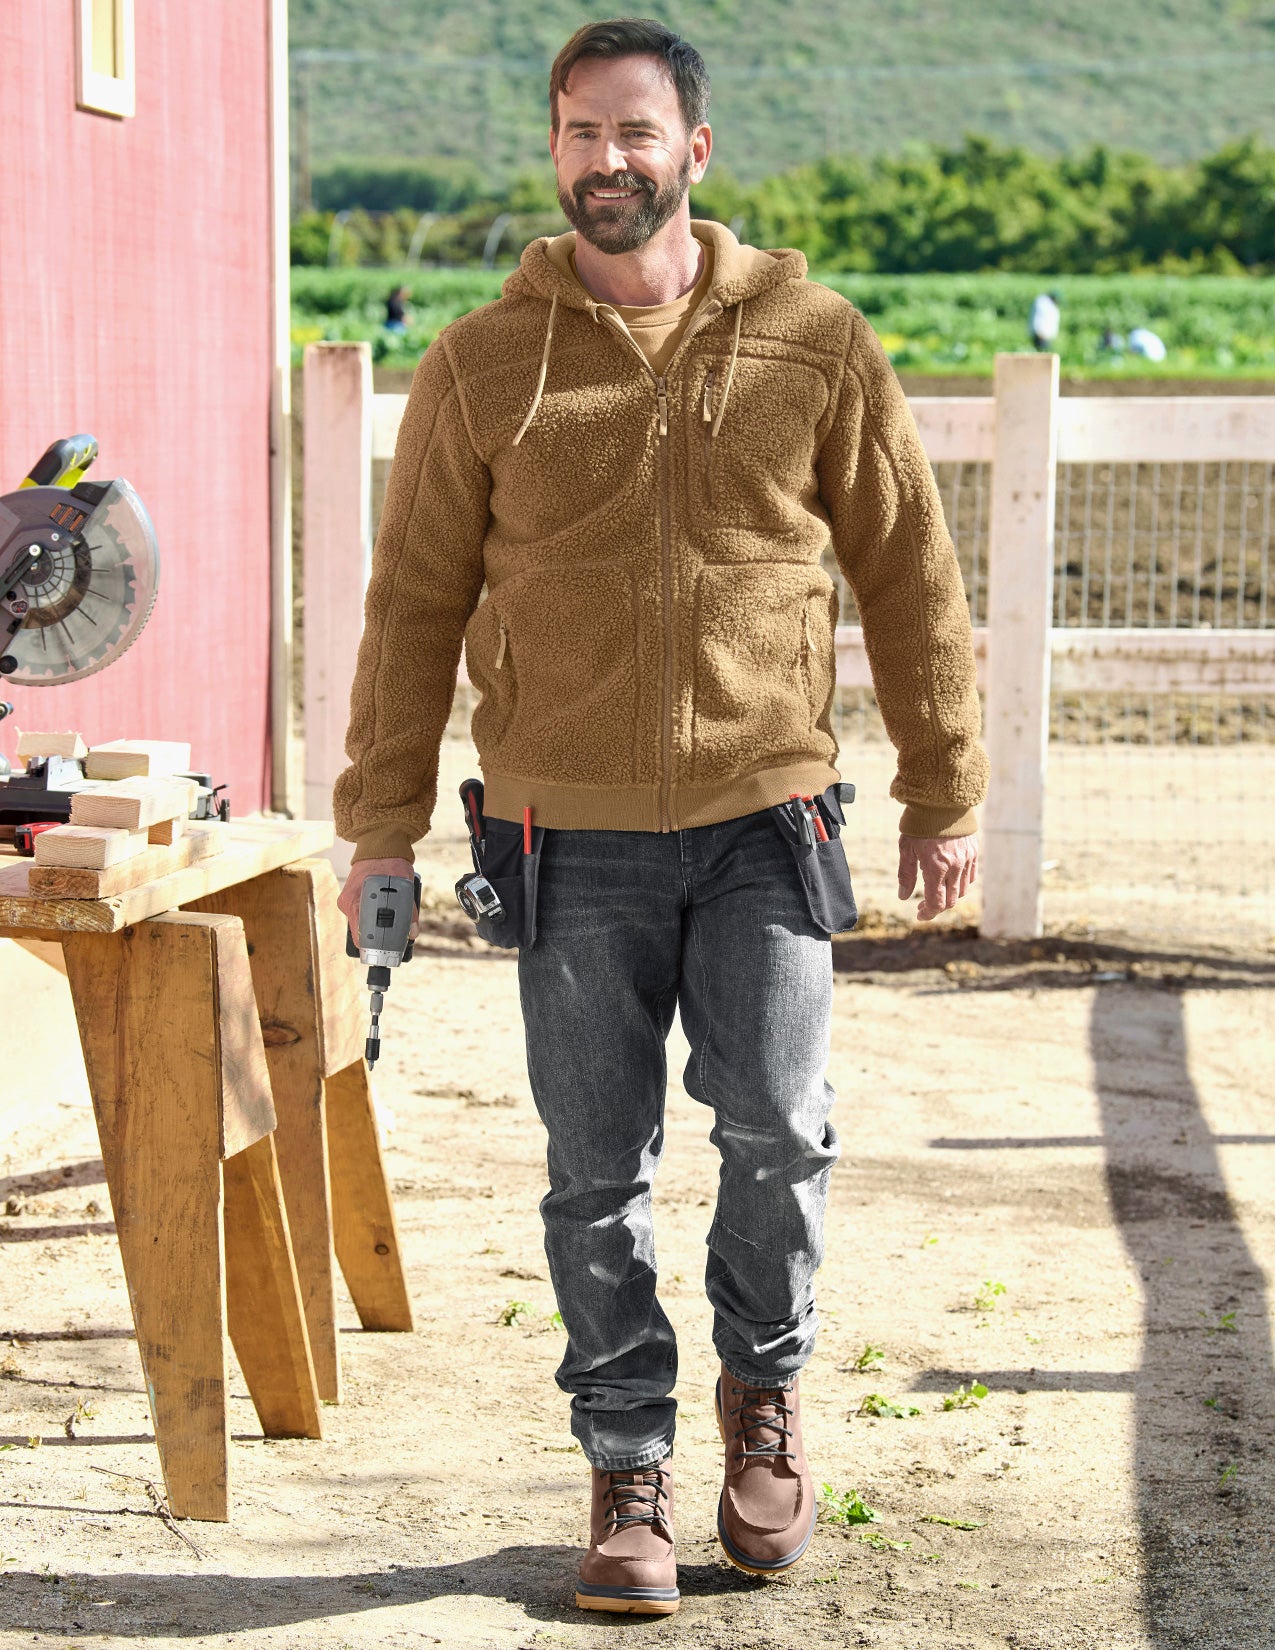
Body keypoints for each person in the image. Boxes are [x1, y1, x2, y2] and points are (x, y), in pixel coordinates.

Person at [335, 18, 987, 1618]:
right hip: (560, 836)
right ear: (553, 152)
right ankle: (624, 1456)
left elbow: (911, 572)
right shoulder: (484, 363)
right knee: (592, 1168)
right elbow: (411, 606)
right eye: (577, 133)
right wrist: (379, 823)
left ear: (694, 152)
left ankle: (762, 1405)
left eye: (635, 133)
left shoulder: (816, 340)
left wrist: (944, 783)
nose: (604, 161)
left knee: (777, 1131)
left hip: (771, 817)